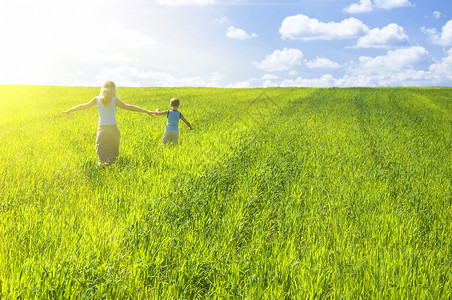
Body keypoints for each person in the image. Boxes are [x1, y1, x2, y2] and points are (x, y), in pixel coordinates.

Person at [61, 80, 154, 166]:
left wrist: (69, 110)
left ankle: (102, 169)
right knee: (113, 152)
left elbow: (83, 106)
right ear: (113, 89)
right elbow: (130, 107)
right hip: (113, 129)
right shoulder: (114, 100)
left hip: (102, 129)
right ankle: (112, 169)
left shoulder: (97, 99)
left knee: (101, 152)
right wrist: (146, 111)